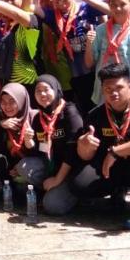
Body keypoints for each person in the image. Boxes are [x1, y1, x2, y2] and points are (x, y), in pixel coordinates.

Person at [69, 63, 130, 229]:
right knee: (79, 184)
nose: (113, 93)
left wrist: (114, 152)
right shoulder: (96, 114)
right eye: (108, 89)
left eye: (119, 87)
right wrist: (83, 145)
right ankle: (117, 190)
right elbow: (86, 157)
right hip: (112, 168)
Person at [33, 75, 85, 217]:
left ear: (56, 90)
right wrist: (28, 142)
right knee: (25, 167)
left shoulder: (69, 112)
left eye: (46, 89)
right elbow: (39, 150)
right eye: (38, 91)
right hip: (53, 167)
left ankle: (78, 195)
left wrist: (57, 179)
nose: (42, 94)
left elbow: (72, 152)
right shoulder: (38, 118)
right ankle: (52, 190)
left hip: (72, 170)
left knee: (52, 206)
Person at [84, 0, 130, 105]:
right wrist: (89, 44)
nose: (118, 8)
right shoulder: (100, 30)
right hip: (103, 89)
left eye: (122, 4)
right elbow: (89, 64)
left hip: (126, 90)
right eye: (114, 5)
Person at [0, 83, 37, 195]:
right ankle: (10, 187)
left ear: (21, 100)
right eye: (3, 102)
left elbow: (41, 153)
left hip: (30, 164)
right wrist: (0, 127)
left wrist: (29, 140)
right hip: (11, 167)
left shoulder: (35, 117)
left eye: (12, 101)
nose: (7, 106)